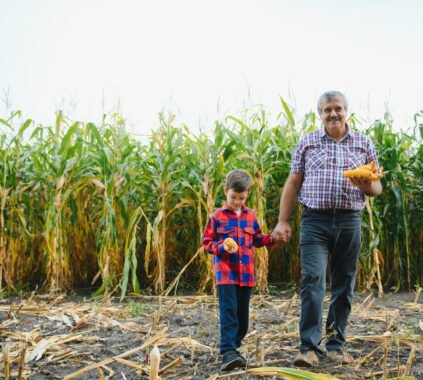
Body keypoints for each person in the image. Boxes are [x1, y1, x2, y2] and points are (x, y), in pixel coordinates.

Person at [272, 91, 382, 367]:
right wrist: (283, 220)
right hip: (315, 221)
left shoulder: (363, 143)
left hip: (349, 221)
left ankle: (335, 346)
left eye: (338, 108)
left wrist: (365, 185)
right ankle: (308, 348)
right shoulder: (308, 142)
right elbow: (293, 183)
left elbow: (376, 188)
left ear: (347, 111)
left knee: (344, 284)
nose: (333, 113)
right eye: (327, 110)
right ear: (319, 114)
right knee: (313, 281)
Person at [203, 169, 283, 371]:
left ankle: (235, 347)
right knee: (228, 311)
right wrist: (221, 247)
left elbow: (256, 239)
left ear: (247, 194)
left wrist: (270, 238)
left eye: (241, 197)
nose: (237, 202)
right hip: (226, 273)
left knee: (243, 316)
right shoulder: (217, 217)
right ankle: (228, 351)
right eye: (233, 197)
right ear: (225, 191)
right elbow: (207, 243)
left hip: (245, 274)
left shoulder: (250, 216)